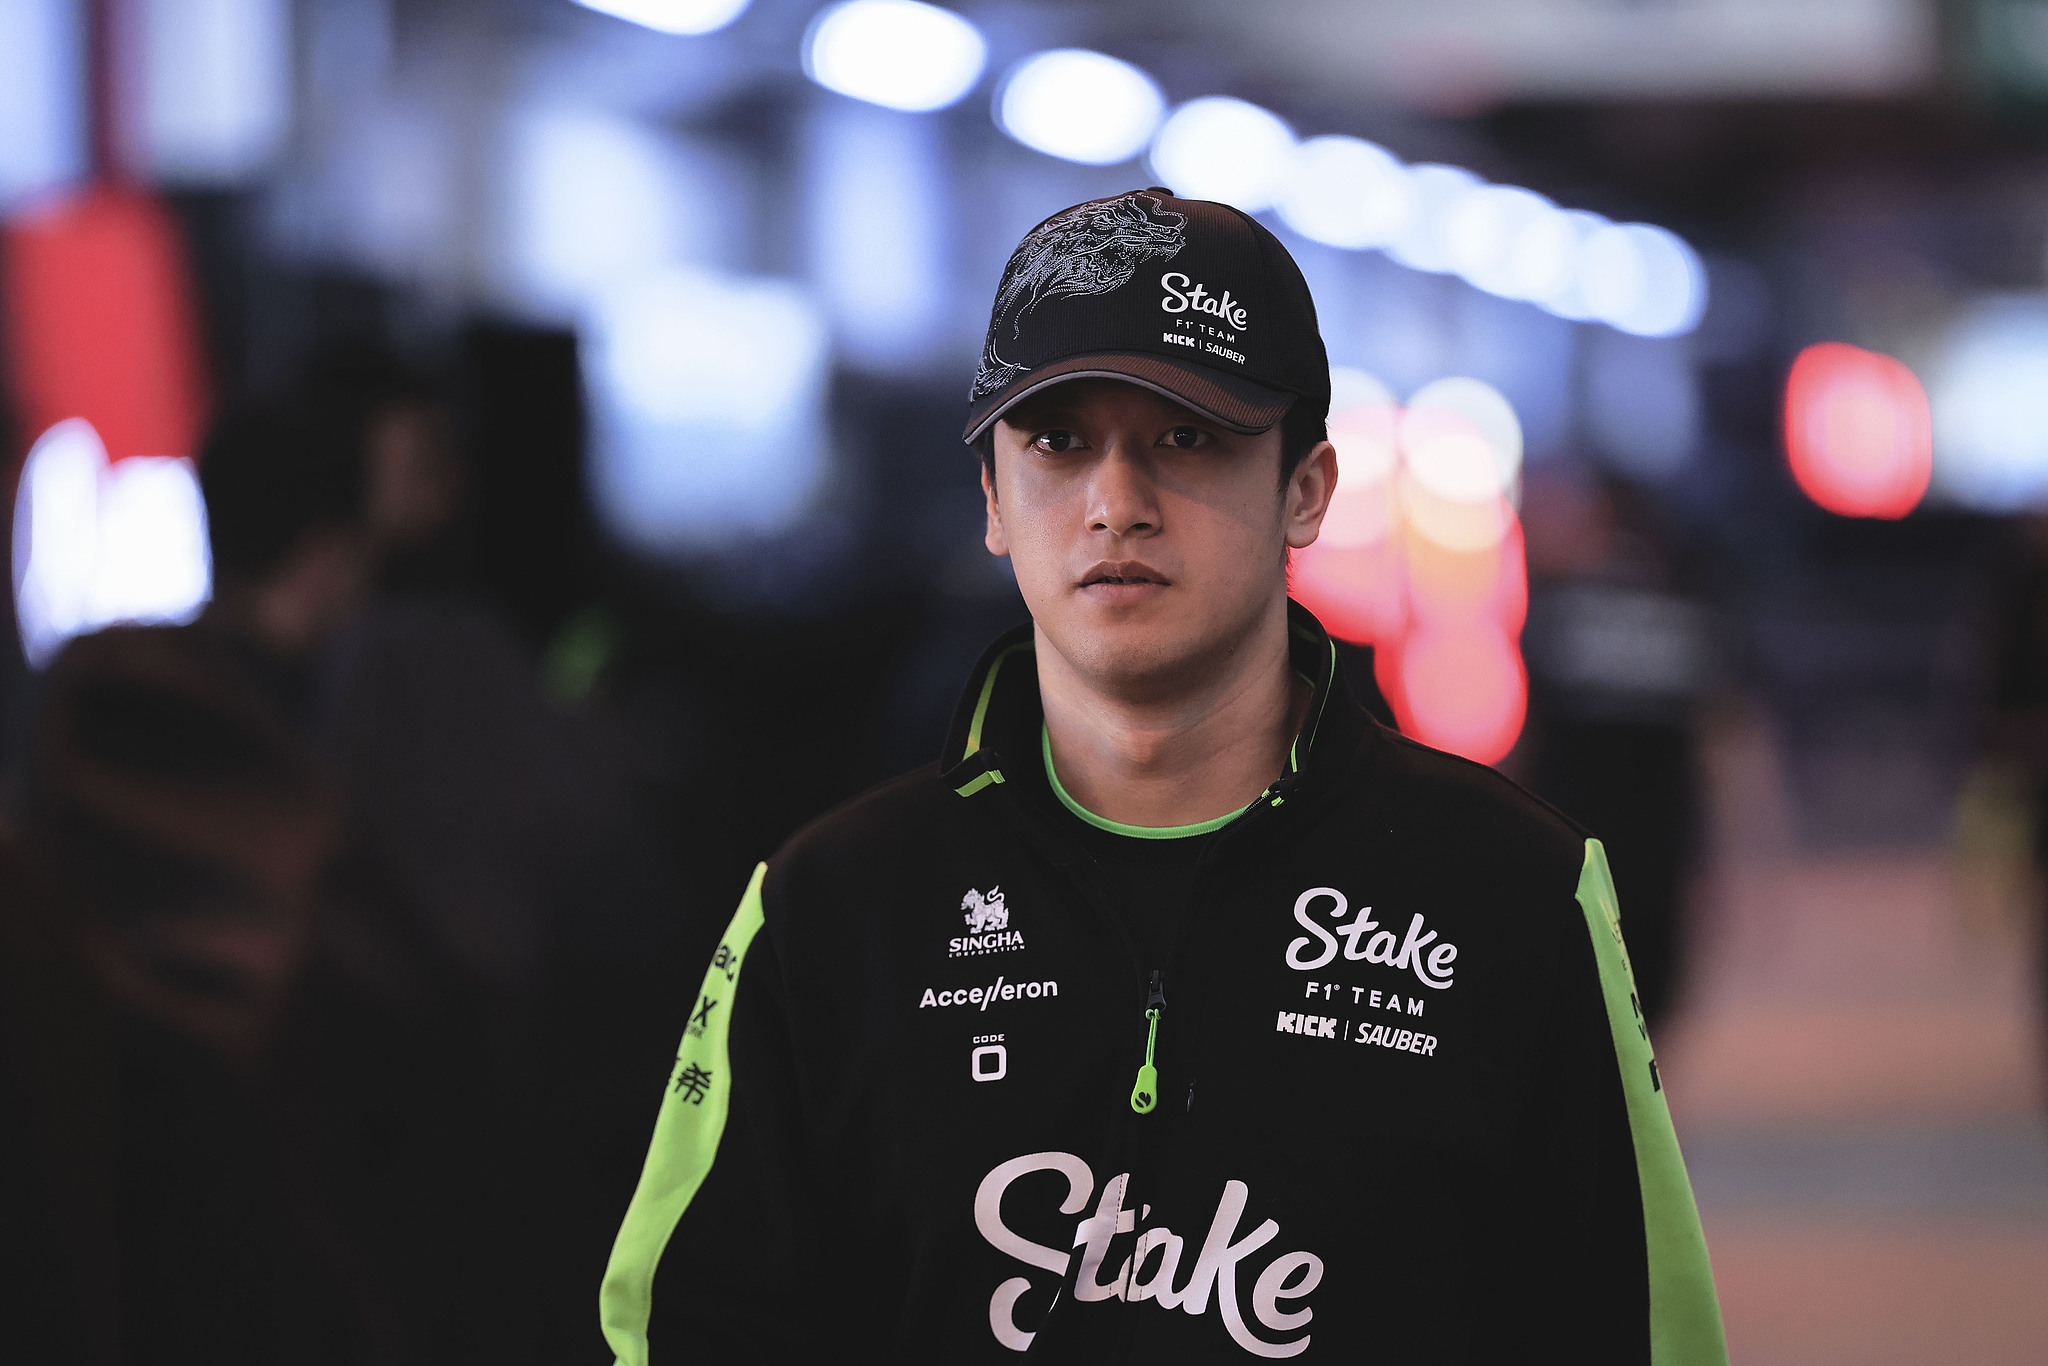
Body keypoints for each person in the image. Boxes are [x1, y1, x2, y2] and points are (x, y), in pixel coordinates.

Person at [600, 188, 1726, 1363]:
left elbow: (1637, 1335)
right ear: (991, 499)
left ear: (1306, 489)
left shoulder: (1514, 895)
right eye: (1058, 442)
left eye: (1186, 437)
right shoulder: (828, 910)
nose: (1115, 503)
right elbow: (677, 1330)